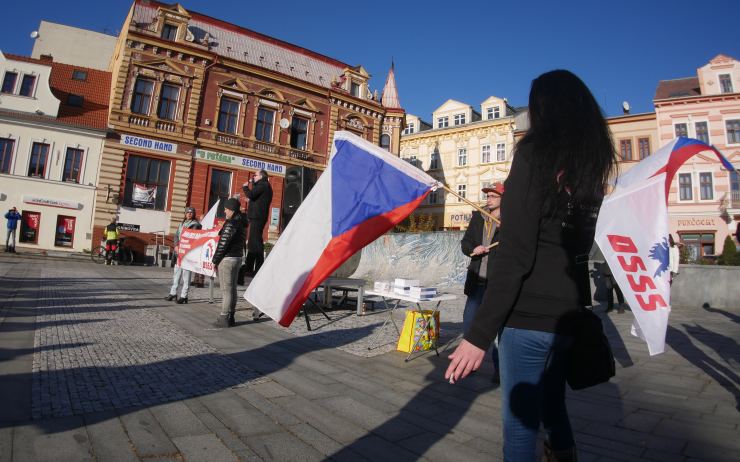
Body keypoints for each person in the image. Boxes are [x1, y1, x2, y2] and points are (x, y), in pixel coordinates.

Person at [445, 70, 617, 461]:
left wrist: (478, 335)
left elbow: (517, 254)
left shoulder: (535, 154)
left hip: (528, 318)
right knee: (553, 406)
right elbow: (576, 247)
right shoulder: (591, 167)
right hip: (568, 318)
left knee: (520, 428)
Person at [460, 183, 504, 382]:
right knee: (469, 325)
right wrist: (473, 248)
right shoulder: (478, 217)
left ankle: (499, 370)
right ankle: (468, 365)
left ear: (503, 199)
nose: (489, 199)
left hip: (496, 284)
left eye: (494, 196)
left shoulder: (510, 221)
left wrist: (509, 232)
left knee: (497, 330)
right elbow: (465, 243)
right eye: (488, 196)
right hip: (477, 280)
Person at [212, 198, 247, 328]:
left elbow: (223, 244)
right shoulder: (242, 222)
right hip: (237, 258)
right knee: (232, 289)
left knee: (226, 290)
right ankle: (231, 316)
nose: (224, 210)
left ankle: (223, 317)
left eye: (226, 209)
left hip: (227, 259)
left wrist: (215, 260)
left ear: (231, 210)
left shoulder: (231, 223)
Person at [165, 207, 201, 304]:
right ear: (185, 214)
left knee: (186, 275)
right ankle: (173, 293)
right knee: (176, 274)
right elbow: (176, 235)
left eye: (191, 212)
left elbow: (194, 238)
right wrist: (176, 246)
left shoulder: (196, 225)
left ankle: (184, 295)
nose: (189, 214)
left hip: (188, 253)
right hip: (179, 252)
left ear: (193, 214)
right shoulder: (182, 224)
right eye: (187, 212)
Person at [242, 169, 273, 277]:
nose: (253, 177)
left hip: (257, 217)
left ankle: (253, 268)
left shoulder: (263, 185)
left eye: (255, 175)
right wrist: (251, 201)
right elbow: (257, 198)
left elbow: (251, 194)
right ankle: (252, 267)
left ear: (261, 176)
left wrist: (245, 187)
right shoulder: (264, 185)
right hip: (258, 216)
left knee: (254, 243)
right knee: (255, 242)